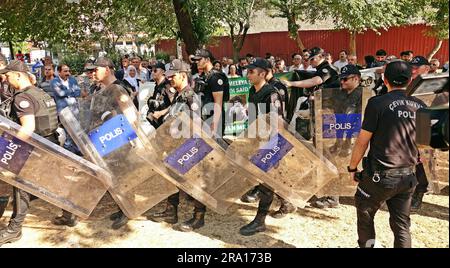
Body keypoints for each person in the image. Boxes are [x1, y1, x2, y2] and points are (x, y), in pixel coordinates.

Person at [348, 60, 426, 248]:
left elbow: (363, 140)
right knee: (401, 226)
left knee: (366, 218)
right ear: (410, 80)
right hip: (407, 177)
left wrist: (352, 167)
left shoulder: (376, 103)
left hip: (379, 176)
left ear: (384, 79)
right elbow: (424, 143)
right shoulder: (421, 105)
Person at [0, 61, 59, 246]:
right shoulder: (40, 92)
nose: (6, 79)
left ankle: (14, 230)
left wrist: (11, 151)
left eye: (8, 75)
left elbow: (28, 128)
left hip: (34, 146)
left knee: (20, 185)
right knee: (57, 183)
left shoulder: (22, 97)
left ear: (18, 75)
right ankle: (70, 214)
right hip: (51, 142)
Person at [147, 61, 209, 232]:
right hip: (175, 145)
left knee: (196, 181)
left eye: (173, 75)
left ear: (183, 75)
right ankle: (170, 212)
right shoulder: (180, 95)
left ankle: (199, 217)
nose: (169, 78)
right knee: (170, 176)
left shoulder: (191, 96)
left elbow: (197, 124)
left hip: (189, 146)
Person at [238, 58, 284, 236]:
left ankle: (259, 221)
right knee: (266, 178)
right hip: (257, 139)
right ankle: (287, 203)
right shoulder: (252, 90)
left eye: (251, 72)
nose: (248, 74)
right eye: (247, 71)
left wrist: (271, 148)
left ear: (262, 74)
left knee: (266, 181)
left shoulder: (271, 94)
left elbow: (278, 123)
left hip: (271, 142)